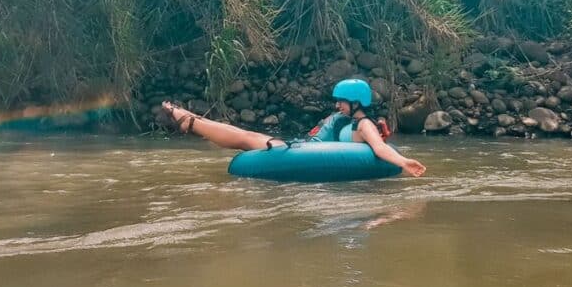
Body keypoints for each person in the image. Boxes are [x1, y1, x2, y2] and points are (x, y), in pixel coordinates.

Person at [161, 78, 426, 177]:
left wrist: (404, 162)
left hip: (303, 152)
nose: (338, 107)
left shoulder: (364, 124)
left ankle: (191, 121)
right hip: (306, 149)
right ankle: (192, 120)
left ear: (356, 102)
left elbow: (379, 148)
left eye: (342, 102)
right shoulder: (347, 120)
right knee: (248, 137)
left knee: (247, 137)